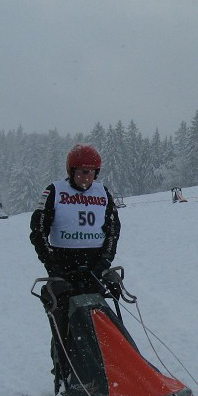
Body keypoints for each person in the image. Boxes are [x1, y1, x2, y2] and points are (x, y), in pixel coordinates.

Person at [30, 144, 121, 382]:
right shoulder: (54, 192)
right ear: (71, 171)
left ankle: (105, 376)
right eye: (81, 171)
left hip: (94, 271)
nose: (86, 177)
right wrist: (54, 268)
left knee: (102, 326)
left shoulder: (103, 194)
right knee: (64, 327)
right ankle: (63, 376)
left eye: (90, 172)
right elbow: (38, 232)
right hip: (64, 272)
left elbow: (113, 231)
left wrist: (104, 264)